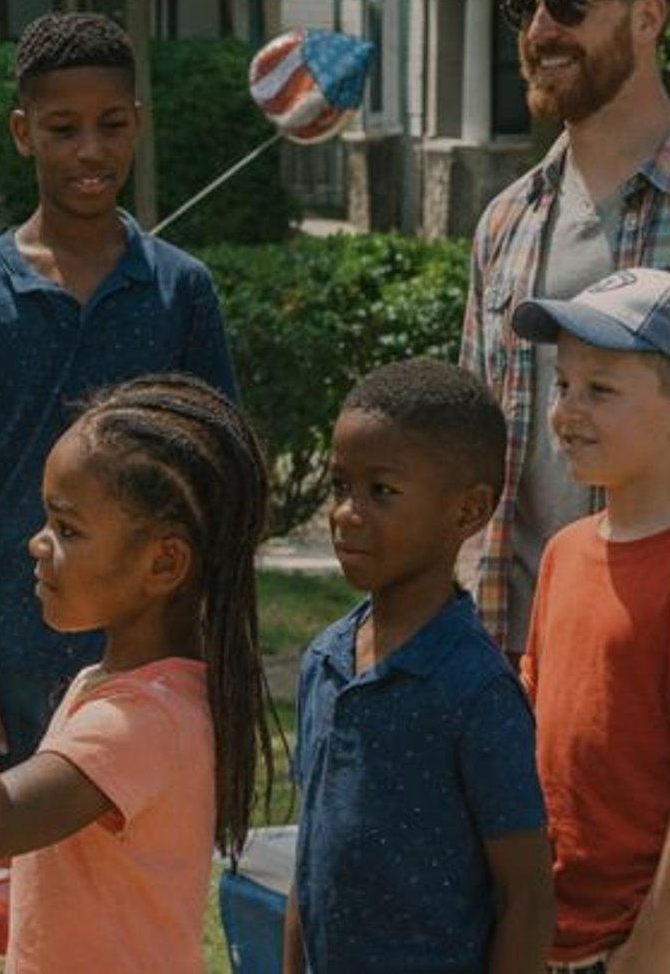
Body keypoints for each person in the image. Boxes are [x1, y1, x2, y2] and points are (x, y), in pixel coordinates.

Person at [0, 374, 272, 974]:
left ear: (165, 562)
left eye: (67, 529)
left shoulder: (142, 721)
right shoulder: (118, 687)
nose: (37, 544)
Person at [0, 11, 238, 769]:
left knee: (132, 872)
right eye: (63, 128)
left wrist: (213, 645)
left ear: (138, 125)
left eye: (111, 124)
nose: (90, 149)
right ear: (22, 132)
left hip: (153, 654)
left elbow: (217, 483)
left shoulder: (182, 291)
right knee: (5, 873)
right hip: (9, 654)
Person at [460, 0, 670, 658]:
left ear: (648, 17)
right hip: (511, 652)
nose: (539, 31)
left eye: (568, 3)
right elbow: (472, 442)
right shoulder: (506, 220)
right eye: (524, 6)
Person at [283, 359, 554, 974]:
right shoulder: (326, 661)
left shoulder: (475, 689)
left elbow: (527, 895)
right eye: (339, 484)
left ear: (467, 512)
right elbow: (311, 862)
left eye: (381, 491)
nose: (346, 512)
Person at [511, 268, 670, 974]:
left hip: (655, 951)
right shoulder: (564, 553)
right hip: (553, 934)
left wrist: (653, 945)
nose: (566, 410)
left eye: (600, 389)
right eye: (563, 384)